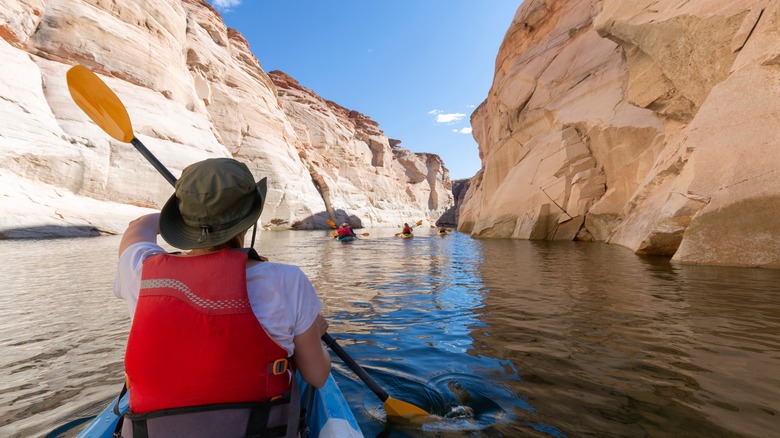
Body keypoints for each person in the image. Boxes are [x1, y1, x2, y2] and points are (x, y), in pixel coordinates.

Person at [112, 158, 331, 437]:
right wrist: (315, 336)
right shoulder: (287, 280)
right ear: (249, 220)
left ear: (178, 220)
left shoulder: (140, 272)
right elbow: (317, 375)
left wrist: (186, 210)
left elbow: (139, 226)